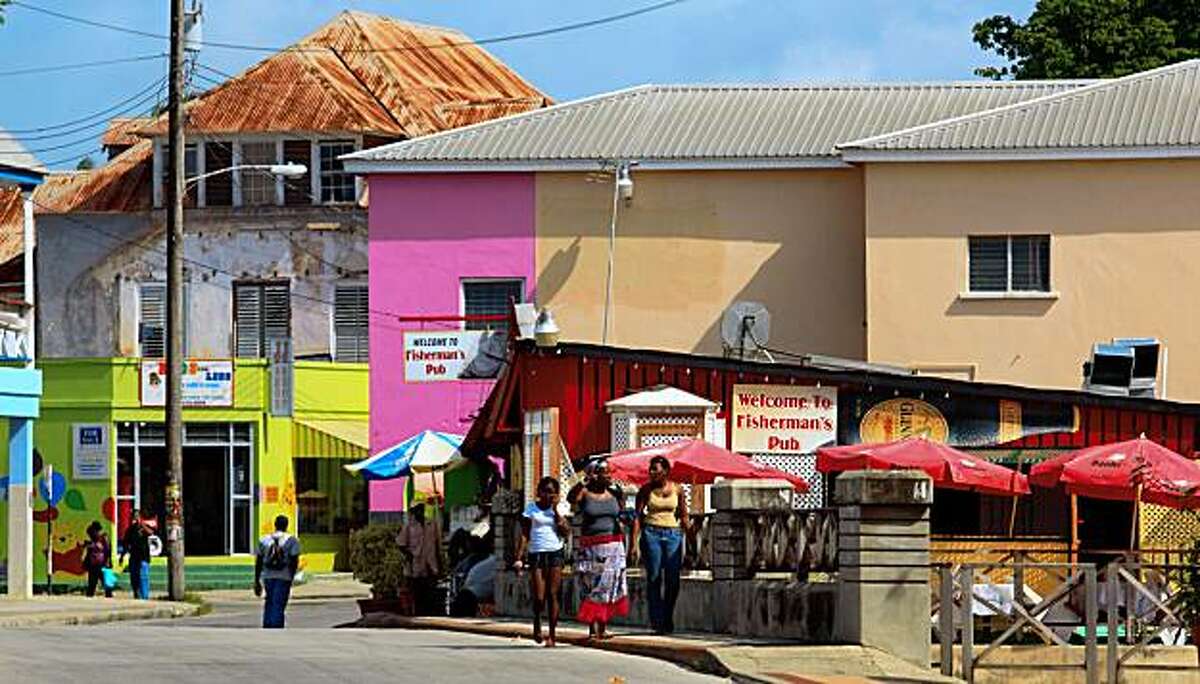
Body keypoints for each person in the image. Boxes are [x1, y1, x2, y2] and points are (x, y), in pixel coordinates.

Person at [567, 459, 629, 641]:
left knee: (609, 586)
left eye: (610, 472)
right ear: (595, 474)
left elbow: (622, 514)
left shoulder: (615, 493)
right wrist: (583, 481)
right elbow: (571, 498)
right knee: (592, 585)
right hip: (591, 546)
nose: (608, 475)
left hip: (613, 544)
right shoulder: (584, 492)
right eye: (604, 472)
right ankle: (592, 628)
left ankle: (603, 626)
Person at [631, 455, 689, 634]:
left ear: (665, 471)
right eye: (651, 469)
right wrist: (634, 543)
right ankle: (657, 621)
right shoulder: (646, 490)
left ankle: (667, 615)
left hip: (673, 534)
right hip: (651, 533)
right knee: (654, 578)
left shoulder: (677, 489)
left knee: (673, 580)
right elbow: (637, 517)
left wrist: (691, 538)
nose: (652, 472)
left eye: (655, 469)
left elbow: (683, 514)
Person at [513, 476, 569, 647]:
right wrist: (518, 557)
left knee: (553, 594)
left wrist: (556, 510)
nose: (547, 496)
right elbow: (524, 534)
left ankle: (552, 634)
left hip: (555, 552)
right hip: (536, 553)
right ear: (539, 492)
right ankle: (537, 621)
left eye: (552, 493)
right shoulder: (531, 509)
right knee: (539, 596)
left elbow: (566, 531)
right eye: (545, 492)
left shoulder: (560, 509)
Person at [255, 514, 301, 629]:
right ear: (286, 526)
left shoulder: (264, 540)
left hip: (268, 576)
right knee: (279, 602)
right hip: (284, 576)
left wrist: (257, 579)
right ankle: (276, 626)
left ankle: (267, 623)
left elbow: (259, 561)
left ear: (275, 525)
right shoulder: (291, 540)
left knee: (269, 600)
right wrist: (292, 575)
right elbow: (294, 559)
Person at [397, 501, 443, 615]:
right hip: (415, 565)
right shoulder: (409, 526)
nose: (419, 511)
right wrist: (410, 556)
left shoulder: (431, 524)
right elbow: (401, 544)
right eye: (416, 509)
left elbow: (437, 544)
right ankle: (418, 613)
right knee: (417, 592)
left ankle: (430, 614)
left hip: (430, 564)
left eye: (421, 509)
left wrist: (440, 564)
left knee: (431, 592)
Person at [119, 510, 154, 600]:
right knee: (134, 577)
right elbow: (126, 544)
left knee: (143, 576)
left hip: (143, 557)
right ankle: (137, 594)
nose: (135, 518)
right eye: (134, 517)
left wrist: (142, 524)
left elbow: (150, 533)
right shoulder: (130, 530)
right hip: (134, 557)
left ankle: (145, 596)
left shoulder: (144, 528)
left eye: (137, 516)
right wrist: (122, 557)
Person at [81, 521, 114, 598]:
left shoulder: (103, 538)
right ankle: (90, 595)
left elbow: (107, 551)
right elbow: (89, 553)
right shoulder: (92, 541)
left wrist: (108, 562)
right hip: (93, 564)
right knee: (92, 583)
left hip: (102, 564)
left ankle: (108, 596)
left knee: (106, 583)